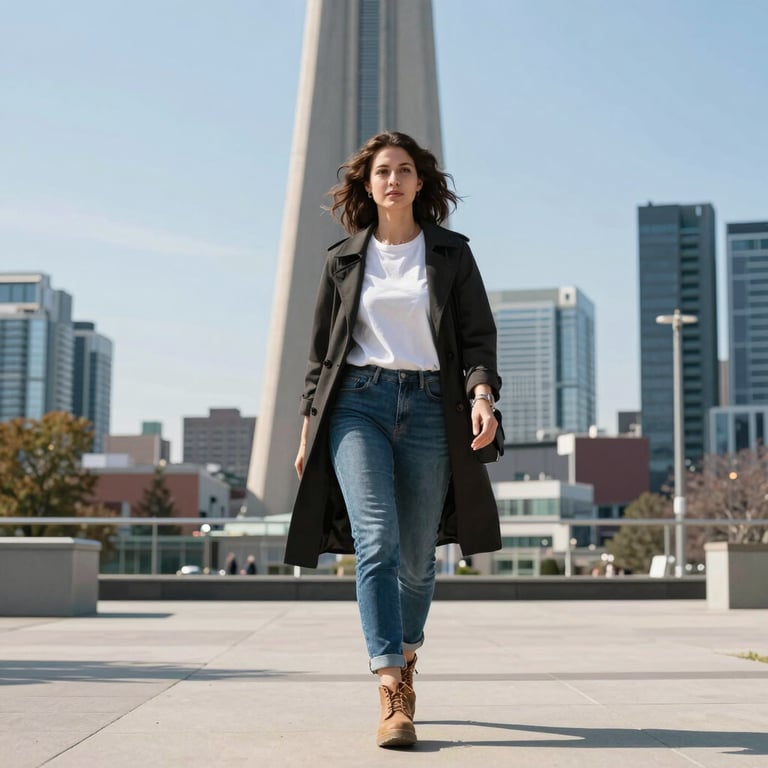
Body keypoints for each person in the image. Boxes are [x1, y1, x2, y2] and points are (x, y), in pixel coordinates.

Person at [287, 131, 502, 749]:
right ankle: (389, 685)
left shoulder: (453, 255)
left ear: (420, 182)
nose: (394, 180)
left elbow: (478, 337)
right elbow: (319, 359)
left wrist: (481, 397)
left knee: (415, 557)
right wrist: (309, 429)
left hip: (434, 406)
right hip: (358, 404)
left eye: (405, 170)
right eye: (383, 171)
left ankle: (407, 653)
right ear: (367, 183)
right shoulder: (343, 260)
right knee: (375, 540)